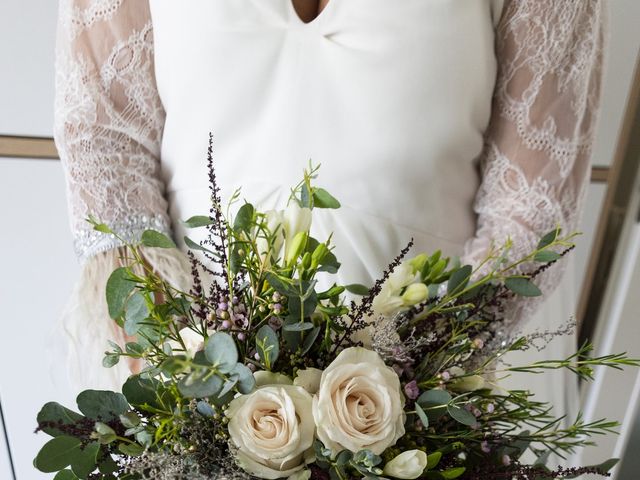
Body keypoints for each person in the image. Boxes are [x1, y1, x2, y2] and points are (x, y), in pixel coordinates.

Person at [53, 0, 607, 435]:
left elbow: (532, 209)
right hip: (196, 386)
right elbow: (104, 136)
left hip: (417, 400)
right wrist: (176, 368)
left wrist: (403, 396)